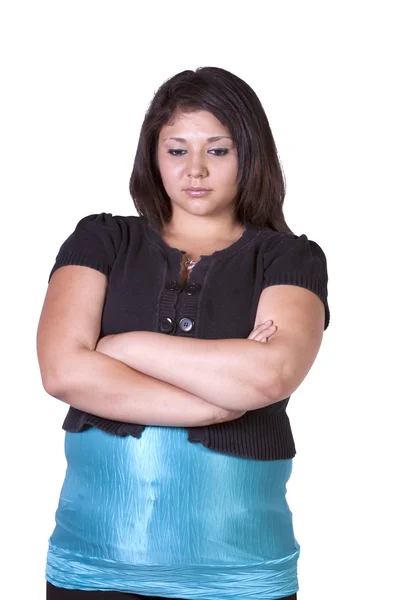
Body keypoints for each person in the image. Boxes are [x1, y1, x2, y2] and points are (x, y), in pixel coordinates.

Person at [37, 66, 330, 600]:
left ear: (249, 154)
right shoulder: (101, 240)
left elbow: (271, 376)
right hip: (93, 569)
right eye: (176, 150)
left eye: (217, 151)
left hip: (242, 575)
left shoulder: (288, 257)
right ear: (153, 155)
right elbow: (62, 371)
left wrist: (120, 348)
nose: (195, 170)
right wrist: (216, 402)